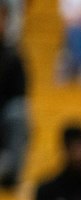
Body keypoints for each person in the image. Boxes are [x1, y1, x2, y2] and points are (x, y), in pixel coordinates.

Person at [0, 3, 28, 190]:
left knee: (19, 113)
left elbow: (20, 93)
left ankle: (10, 176)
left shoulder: (12, 55)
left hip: (3, 114)